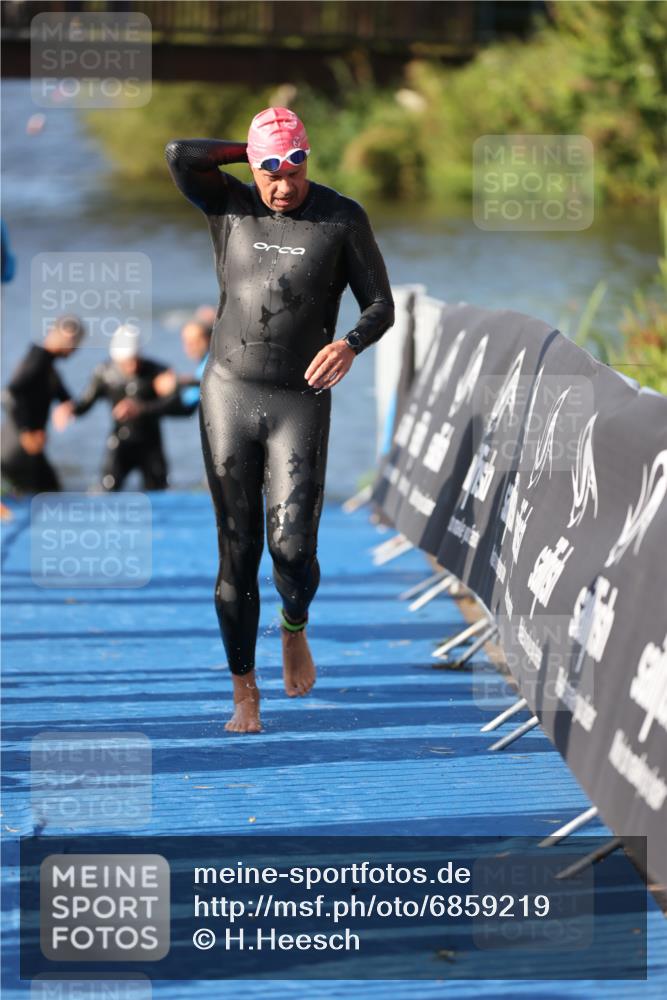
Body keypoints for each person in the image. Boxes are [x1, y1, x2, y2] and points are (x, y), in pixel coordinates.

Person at [166, 106, 394, 734]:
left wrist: (348, 344)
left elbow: (381, 304)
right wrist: (253, 149)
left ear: (308, 160)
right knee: (237, 551)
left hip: (300, 398)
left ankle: (294, 626)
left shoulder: (340, 216)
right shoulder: (231, 206)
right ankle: (245, 692)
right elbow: (180, 153)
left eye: (293, 167)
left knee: (291, 550)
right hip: (228, 394)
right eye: (270, 170)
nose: (282, 183)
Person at [58, 324, 171, 491]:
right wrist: (70, 409)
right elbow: (87, 402)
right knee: (107, 488)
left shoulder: (157, 372)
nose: (131, 366)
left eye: (135, 359)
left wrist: (143, 407)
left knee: (158, 488)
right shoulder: (104, 372)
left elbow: (174, 406)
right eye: (126, 362)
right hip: (120, 440)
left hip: (151, 443)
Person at [1, 315, 85, 494]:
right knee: (46, 497)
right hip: (17, 446)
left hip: (30, 449)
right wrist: (26, 432)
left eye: (77, 342)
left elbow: (68, 401)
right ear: (54, 333)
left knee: (49, 493)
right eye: (70, 340)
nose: (73, 347)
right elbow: (10, 394)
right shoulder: (38, 358)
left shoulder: (49, 367)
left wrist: (68, 408)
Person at [116, 315, 212, 421]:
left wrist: (179, 382)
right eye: (186, 342)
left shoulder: (213, 362)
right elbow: (186, 406)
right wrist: (141, 409)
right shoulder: (203, 365)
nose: (189, 347)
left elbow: (211, 382)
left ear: (209, 338)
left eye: (195, 342)